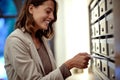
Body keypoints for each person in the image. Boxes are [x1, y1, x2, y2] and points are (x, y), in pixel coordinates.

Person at [4, 0, 91, 80]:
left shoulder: (41, 39)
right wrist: (70, 64)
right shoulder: (15, 41)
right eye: (48, 11)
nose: (52, 17)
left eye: (53, 13)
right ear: (31, 9)